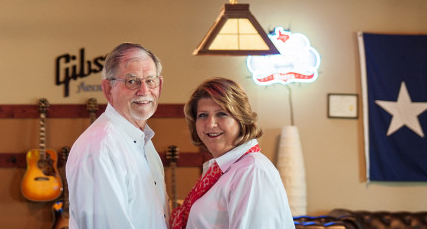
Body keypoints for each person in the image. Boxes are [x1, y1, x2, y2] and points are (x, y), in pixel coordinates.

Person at [66, 42, 168, 229]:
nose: (144, 91)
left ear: (159, 85)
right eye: (131, 81)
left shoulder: (142, 141)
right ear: (108, 89)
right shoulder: (101, 149)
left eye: (150, 80)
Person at [172, 77, 295, 229]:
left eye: (221, 114)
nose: (210, 124)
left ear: (241, 119)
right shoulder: (221, 170)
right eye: (203, 115)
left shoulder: (252, 171)